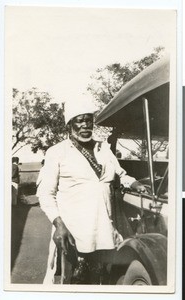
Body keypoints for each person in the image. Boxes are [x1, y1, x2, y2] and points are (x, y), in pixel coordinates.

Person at [38, 99, 146, 284]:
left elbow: (119, 173)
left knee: (101, 280)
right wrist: (59, 225)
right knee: (74, 282)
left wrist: (134, 183)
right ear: (70, 125)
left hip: (104, 230)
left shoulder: (103, 147)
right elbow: (45, 193)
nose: (85, 125)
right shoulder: (57, 152)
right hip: (73, 233)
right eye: (79, 121)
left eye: (88, 120)